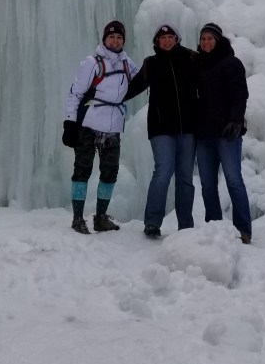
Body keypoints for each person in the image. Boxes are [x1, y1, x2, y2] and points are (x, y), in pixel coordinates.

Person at [62, 20, 139, 235]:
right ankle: (78, 218)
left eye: (119, 37)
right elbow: (75, 93)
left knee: (109, 173)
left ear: (123, 40)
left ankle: (101, 217)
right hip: (88, 124)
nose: (115, 41)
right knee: (82, 170)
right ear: (104, 39)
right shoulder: (92, 63)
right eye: (111, 37)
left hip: (113, 126)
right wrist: (69, 122)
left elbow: (141, 78)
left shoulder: (127, 64)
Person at [126, 23, 198, 238]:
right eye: (162, 37)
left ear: (177, 39)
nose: (166, 40)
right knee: (163, 172)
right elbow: (131, 89)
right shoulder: (151, 64)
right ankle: (152, 222)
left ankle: (186, 226)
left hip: (188, 128)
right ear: (156, 42)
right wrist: (102, 98)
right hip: (161, 129)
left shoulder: (191, 58)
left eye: (170, 36)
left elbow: (208, 83)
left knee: (185, 177)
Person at [195, 22, 252, 244]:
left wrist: (236, 120)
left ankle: (243, 229)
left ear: (218, 40)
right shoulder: (198, 65)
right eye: (203, 39)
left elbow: (240, 93)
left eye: (210, 38)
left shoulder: (231, 63)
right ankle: (214, 227)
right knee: (208, 184)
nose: (206, 42)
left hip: (227, 133)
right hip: (204, 135)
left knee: (233, 179)